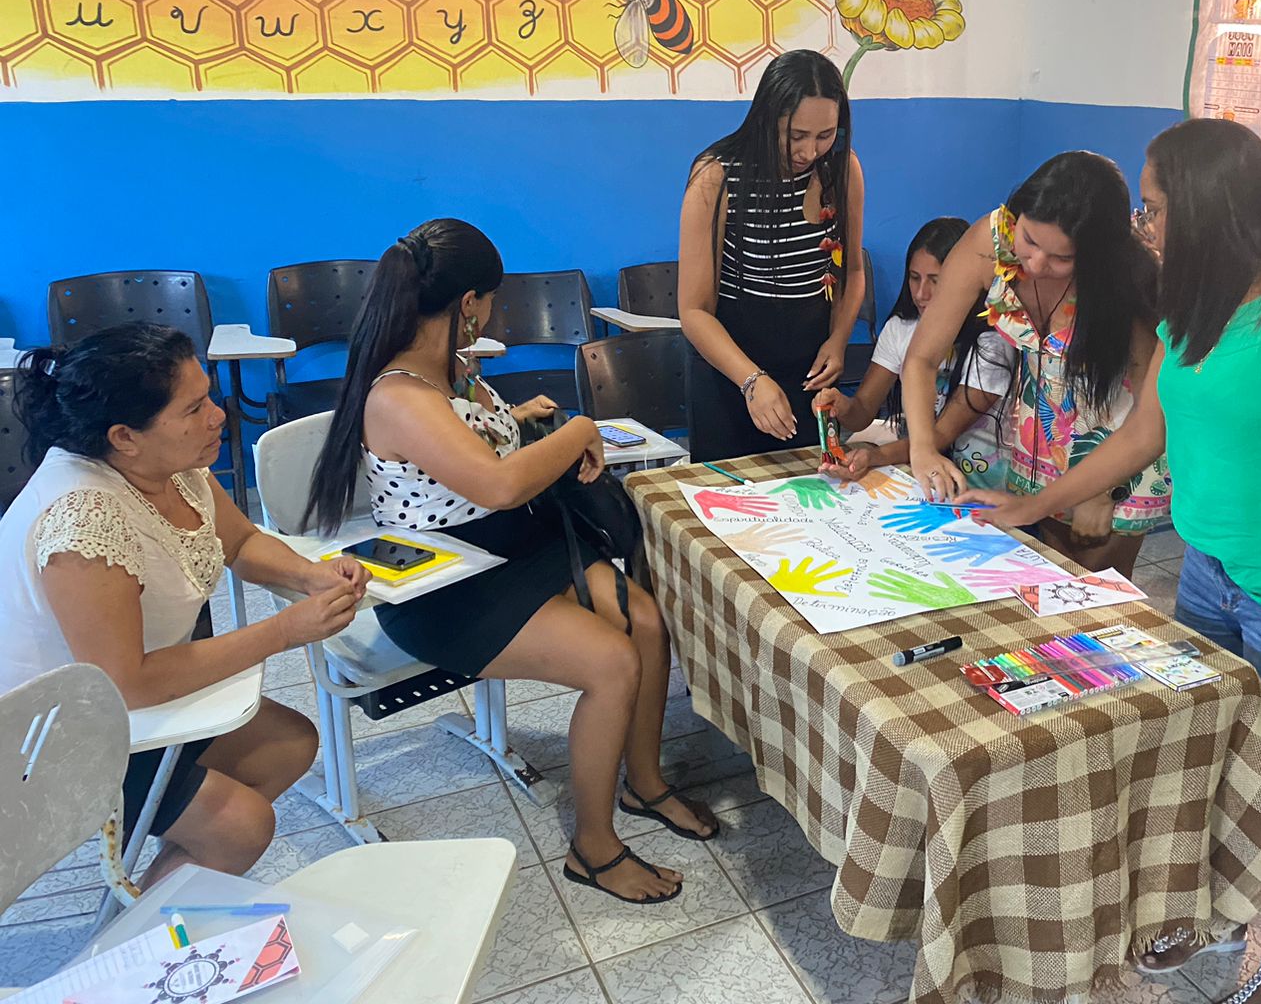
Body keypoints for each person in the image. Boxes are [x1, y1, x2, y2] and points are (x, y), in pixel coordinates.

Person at [958, 121, 1261, 1004]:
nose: (1145, 224)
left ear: (1208, 208)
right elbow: (1143, 432)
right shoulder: (1192, 296)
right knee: (1204, 757)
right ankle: (1218, 918)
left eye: (1155, 207)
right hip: (1212, 574)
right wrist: (1034, 505)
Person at [305, 218, 713, 906]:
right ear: (469, 303)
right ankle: (593, 848)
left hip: (515, 547)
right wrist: (578, 429)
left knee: (646, 621)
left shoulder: (452, 368)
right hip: (446, 587)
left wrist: (518, 419)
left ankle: (644, 783)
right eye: (491, 298)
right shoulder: (398, 394)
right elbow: (496, 485)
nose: (493, 311)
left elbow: (473, 446)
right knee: (612, 663)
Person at [0, 323, 367, 882]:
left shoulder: (169, 466)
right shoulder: (84, 519)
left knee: (288, 745)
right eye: (194, 408)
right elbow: (126, 682)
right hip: (50, 734)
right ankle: (147, 922)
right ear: (125, 436)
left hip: (127, 698)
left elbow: (239, 542)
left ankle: (166, 884)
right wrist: (286, 630)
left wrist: (310, 574)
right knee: (241, 827)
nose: (218, 415)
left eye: (208, 396)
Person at [906, 152, 1169, 578]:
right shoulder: (992, 240)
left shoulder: (1129, 275)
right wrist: (922, 448)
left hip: (1116, 467)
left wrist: (1103, 489)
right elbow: (922, 357)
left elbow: (1150, 413)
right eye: (1029, 240)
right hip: (1036, 454)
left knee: (1090, 594)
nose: (1035, 264)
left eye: (1062, 258)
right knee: (1039, 586)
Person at [679, 49, 866, 462]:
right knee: (731, 492)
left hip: (808, 367)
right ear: (766, 119)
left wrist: (838, 340)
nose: (810, 151)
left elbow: (852, 271)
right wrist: (751, 380)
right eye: (795, 135)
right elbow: (693, 311)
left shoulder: (841, 169)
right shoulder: (717, 174)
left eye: (825, 135)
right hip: (731, 368)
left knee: (812, 484)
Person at [812, 217, 1014, 489]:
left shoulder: (993, 344)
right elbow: (862, 412)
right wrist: (841, 406)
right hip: (921, 480)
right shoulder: (901, 328)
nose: (921, 293)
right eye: (914, 277)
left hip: (982, 487)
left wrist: (875, 456)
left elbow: (939, 436)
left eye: (935, 280)